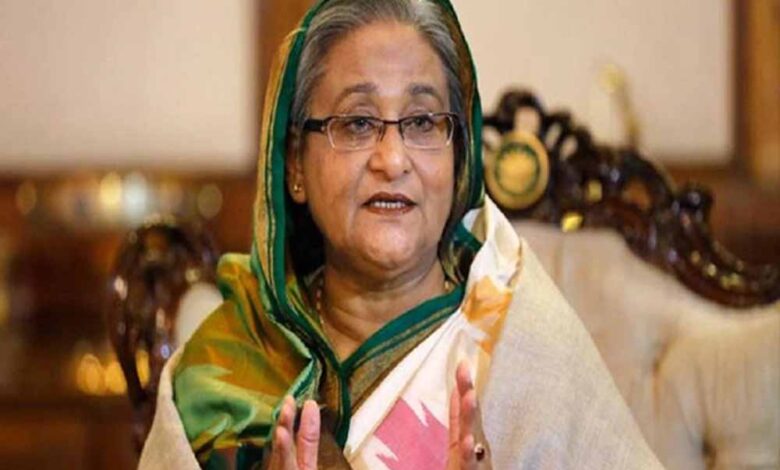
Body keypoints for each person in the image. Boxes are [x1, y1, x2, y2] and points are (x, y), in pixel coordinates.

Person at [139, 0, 662, 468]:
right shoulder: (226, 370)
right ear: (295, 163)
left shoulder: (525, 345)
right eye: (357, 123)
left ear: (458, 158)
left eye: (422, 122)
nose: (392, 160)